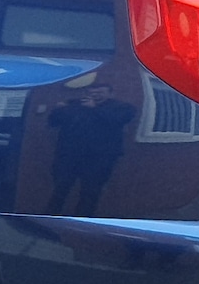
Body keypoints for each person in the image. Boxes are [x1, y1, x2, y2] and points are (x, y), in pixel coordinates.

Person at [46, 83, 136, 216]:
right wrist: (58, 110)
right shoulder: (76, 105)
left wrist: (94, 109)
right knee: (60, 188)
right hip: (70, 156)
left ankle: (82, 222)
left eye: (100, 92)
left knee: (90, 192)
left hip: (99, 160)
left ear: (111, 94)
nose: (95, 95)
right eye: (92, 93)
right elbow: (53, 123)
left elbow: (116, 121)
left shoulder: (123, 108)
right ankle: (50, 218)